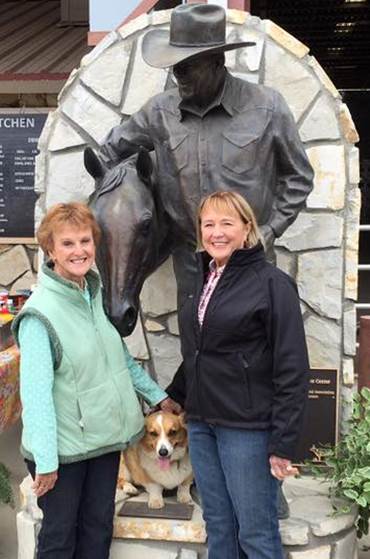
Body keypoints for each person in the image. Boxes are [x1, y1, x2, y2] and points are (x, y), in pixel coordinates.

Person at [98, 3, 314, 300]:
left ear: (216, 61)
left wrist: (271, 229)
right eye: (175, 67)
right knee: (196, 346)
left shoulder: (267, 107)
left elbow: (298, 178)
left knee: (253, 344)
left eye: (186, 66)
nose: (178, 75)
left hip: (250, 261)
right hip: (191, 266)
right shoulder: (159, 113)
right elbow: (109, 155)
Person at [12, 202, 178, 559]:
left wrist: (160, 398)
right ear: (50, 250)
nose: (79, 251)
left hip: (102, 443)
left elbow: (119, 361)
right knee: (59, 540)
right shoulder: (39, 316)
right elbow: (36, 396)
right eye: (68, 243)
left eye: (85, 241)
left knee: (98, 531)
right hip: (63, 454)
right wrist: (45, 462)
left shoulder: (93, 295)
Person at [166, 191, 310, 559]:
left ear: (247, 229)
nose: (216, 232)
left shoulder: (272, 284)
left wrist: (283, 444)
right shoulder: (204, 278)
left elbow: (292, 367)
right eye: (208, 224)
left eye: (227, 223)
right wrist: (175, 394)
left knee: (256, 534)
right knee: (218, 526)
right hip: (201, 424)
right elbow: (202, 349)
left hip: (246, 428)